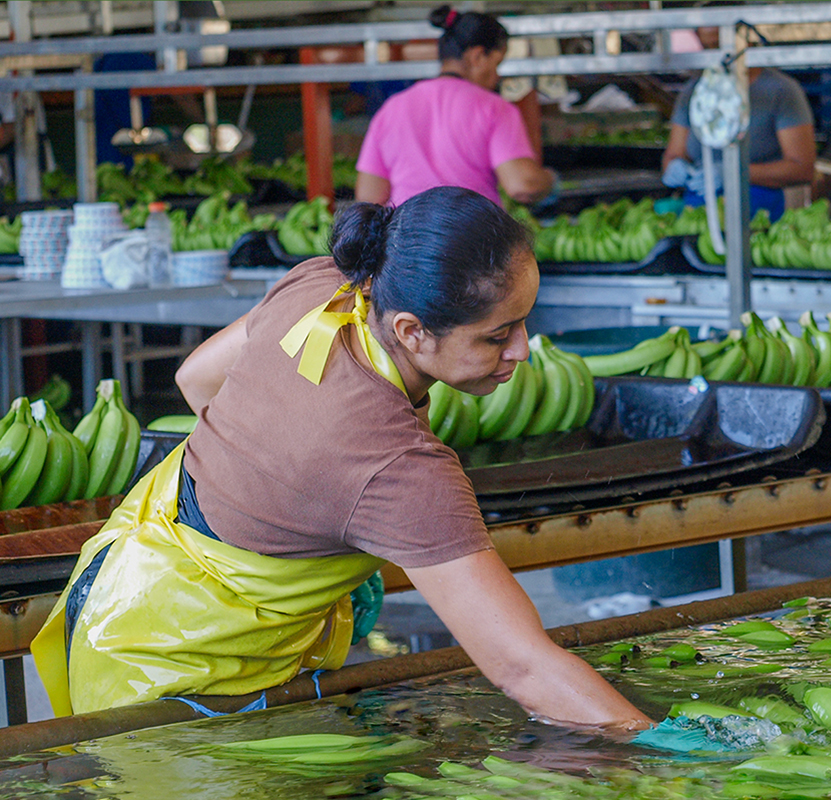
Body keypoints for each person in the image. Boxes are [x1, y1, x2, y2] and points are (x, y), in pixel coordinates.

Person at [30, 186, 652, 737]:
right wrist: (653, 744)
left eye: (524, 322)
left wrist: (293, 514)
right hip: (181, 671)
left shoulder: (329, 281)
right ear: (411, 331)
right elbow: (522, 667)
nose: (521, 350)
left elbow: (198, 381)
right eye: (496, 335)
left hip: (118, 585)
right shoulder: (398, 469)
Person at [354, 5, 555, 207]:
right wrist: (549, 179)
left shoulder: (392, 108)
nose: (497, 76)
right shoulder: (494, 108)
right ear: (476, 56)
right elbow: (522, 185)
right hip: (472, 234)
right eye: (496, 64)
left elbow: (368, 196)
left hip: (406, 234)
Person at [661, 66, 816, 221]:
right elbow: (673, 155)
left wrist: (735, 172)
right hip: (697, 212)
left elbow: (802, 169)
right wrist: (675, 167)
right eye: (707, 47)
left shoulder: (781, 90)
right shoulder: (695, 91)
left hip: (759, 212)